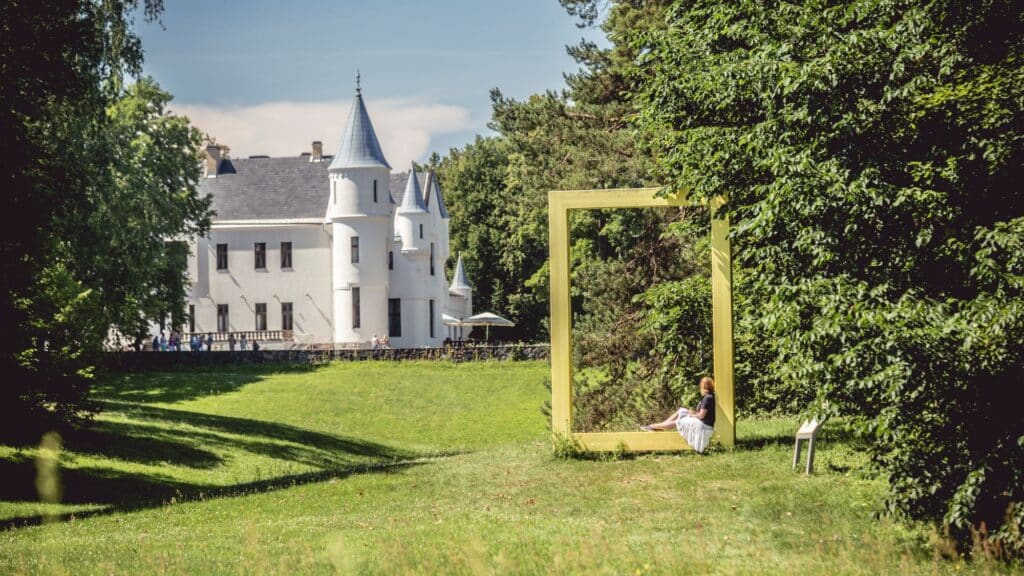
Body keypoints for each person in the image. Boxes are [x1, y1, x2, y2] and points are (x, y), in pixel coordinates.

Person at [640, 376, 716, 453]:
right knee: (682, 410)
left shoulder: (707, 398)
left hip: (704, 425)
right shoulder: (708, 396)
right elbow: (703, 414)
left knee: (678, 421)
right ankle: (662, 425)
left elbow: (701, 416)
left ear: (702, 386)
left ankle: (653, 426)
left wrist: (691, 415)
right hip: (702, 421)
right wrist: (693, 413)